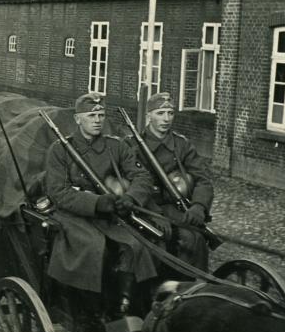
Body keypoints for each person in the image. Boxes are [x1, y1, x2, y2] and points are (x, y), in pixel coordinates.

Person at [45, 92, 157, 318]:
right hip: (74, 216)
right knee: (93, 247)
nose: (97, 120)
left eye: (101, 115)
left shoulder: (117, 146)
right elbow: (59, 193)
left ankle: (124, 307)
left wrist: (131, 198)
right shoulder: (60, 149)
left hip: (111, 216)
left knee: (136, 246)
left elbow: (142, 176)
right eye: (91, 115)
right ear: (78, 119)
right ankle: (89, 311)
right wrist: (97, 202)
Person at [126, 92, 213, 271]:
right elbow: (130, 185)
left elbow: (203, 179)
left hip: (176, 207)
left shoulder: (182, 145)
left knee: (195, 240)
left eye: (170, 113)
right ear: (148, 115)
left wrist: (199, 206)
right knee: (151, 242)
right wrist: (153, 213)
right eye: (160, 113)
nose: (166, 119)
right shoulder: (131, 146)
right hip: (144, 207)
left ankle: (190, 287)